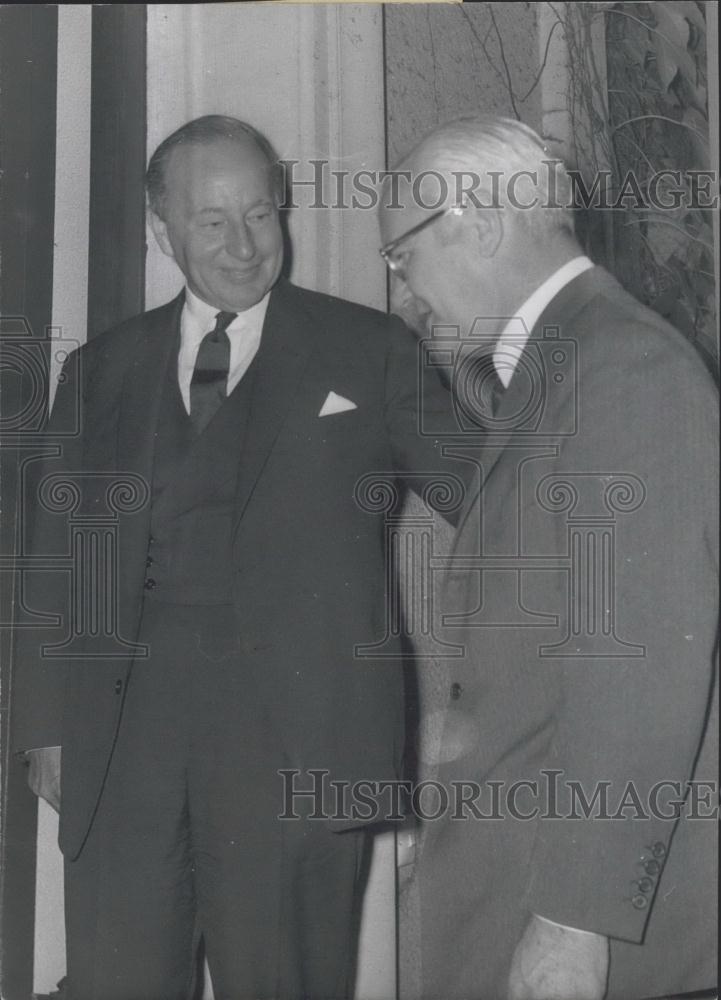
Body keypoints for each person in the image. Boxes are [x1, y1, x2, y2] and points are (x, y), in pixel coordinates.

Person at [12, 115, 461, 1000]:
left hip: (295, 739)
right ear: (161, 230)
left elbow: (496, 500)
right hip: (123, 738)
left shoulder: (368, 351)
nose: (246, 244)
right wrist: (43, 728)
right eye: (212, 221)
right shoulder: (101, 370)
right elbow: (50, 561)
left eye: (261, 215)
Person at [377, 115, 718, 1000]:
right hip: (516, 886)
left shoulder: (624, 368)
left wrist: (573, 927)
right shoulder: (560, 365)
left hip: (584, 931)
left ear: (479, 221)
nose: (400, 293)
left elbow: (637, 673)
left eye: (400, 258)